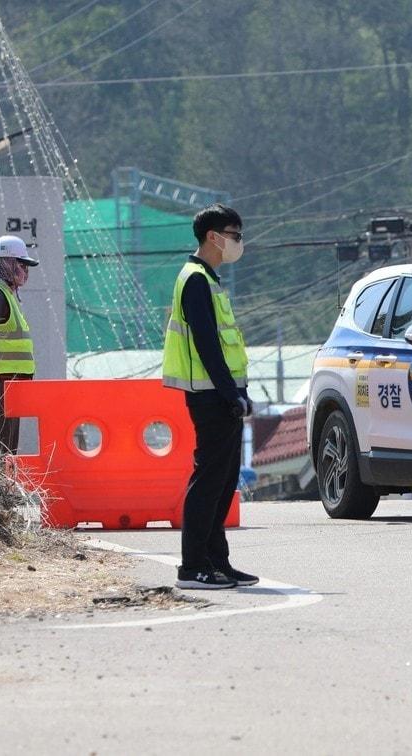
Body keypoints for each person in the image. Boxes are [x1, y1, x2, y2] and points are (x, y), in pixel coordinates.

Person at [162, 204, 257, 590]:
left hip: (222, 394)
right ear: (213, 237)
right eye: (235, 235)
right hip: (210, 396)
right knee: (208, 482)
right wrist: (228, 393)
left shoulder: (208, 278)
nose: (239, 242)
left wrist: (237, 392)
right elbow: (206, 345)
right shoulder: (195, 279)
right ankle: (192, 567)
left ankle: (218, 562)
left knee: (222, 482)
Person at [0, 235, 38, 454]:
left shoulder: (5, 294)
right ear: (5, 263)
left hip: (7, 385)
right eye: (21, 264)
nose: (26, 270)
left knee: (6, 449)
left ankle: (2, 487)